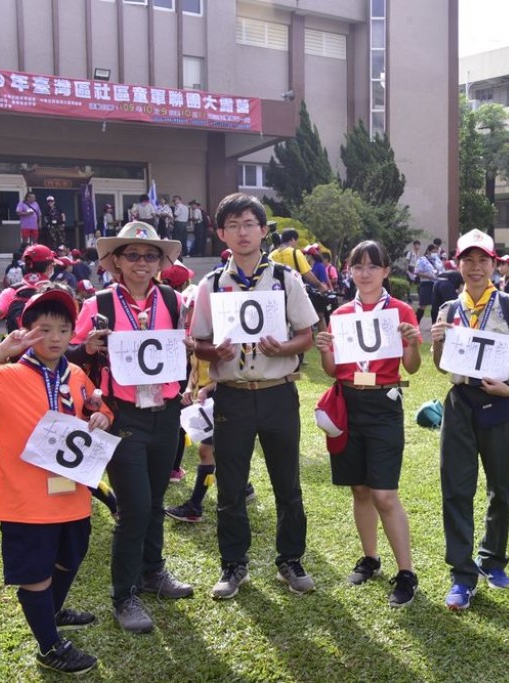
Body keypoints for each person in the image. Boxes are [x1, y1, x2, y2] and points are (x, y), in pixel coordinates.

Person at [0, 288, 113, 675]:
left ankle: (54, 611)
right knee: (36, 574)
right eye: (44, 329)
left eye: (63, 329)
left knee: (71, 557)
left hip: (72, 495)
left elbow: (97, 406)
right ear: (24, 330)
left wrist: (101, 416)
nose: (55, 337)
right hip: (26, 500)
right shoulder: (6, 376)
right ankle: (49, 647)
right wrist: (1, 351)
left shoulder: (76, 374)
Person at [190, 193, 320, 600]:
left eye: (249, 223)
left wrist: (285, 349)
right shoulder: (211, 284)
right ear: (221, 233)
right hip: (233, 396)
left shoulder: (285, 279)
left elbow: (308, 334)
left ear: (264, 231)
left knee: (288, 483)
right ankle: (233, 565)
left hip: (278, 393)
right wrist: (216, 353)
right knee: (230, 485)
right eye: (233, 225)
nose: (242, 232)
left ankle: (290, 560)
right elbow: (198, 342)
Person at [69, 221, 192, 634]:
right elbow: (72, 358)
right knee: (134, 506)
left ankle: (153, 571)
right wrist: (85, 348)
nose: (142, 263)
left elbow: (182, 349)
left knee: (155, 499)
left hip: (166, 410)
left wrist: (188, 357)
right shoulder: (99, 302)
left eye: (150, 255)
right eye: (133, 255)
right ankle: (125, 594)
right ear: (116, 260)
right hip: (122, 414)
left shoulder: (173, 300)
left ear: (161, 262)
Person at [430, 229, 509, 610]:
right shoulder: (448, 309)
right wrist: (437, 343)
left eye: (483, 261)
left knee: (501, 487)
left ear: (495, 265)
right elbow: (441, 364)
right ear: (458, 264)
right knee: (456, 489)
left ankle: (492, 559)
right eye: (468, 260)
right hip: (461, 402)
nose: (475, 268)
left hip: (502, 405)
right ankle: (462, 575)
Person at [314, 240, 422, 607]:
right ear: (349, 270)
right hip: (348, 403)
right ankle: (370, 558)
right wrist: (325, 349)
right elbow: (332, 370)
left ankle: (406, 572)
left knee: (384, 494)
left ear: (386, 271)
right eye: (357, 266)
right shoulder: (342, 313)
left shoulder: (401, 310)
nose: (365, 273)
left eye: (373, 266)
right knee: (359, 489)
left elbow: (412, 367)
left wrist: (411, 344)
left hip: (383, 404)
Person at [0, 244, 58, 349]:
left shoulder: (12, 291)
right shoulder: (57, 292)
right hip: (49, 353)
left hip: (18, 355)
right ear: (50, 267)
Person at [414, 244, 438, 324]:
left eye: (436, 251)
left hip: (435, 284)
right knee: (423, 305)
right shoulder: (422, 260)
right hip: (425, 283)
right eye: (433, 251)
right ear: (428, 251)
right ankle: (416, 323)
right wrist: (428, 276)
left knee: (435, 305)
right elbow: (417, 272)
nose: (435, 253)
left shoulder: (435, 260)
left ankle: (434, 324)